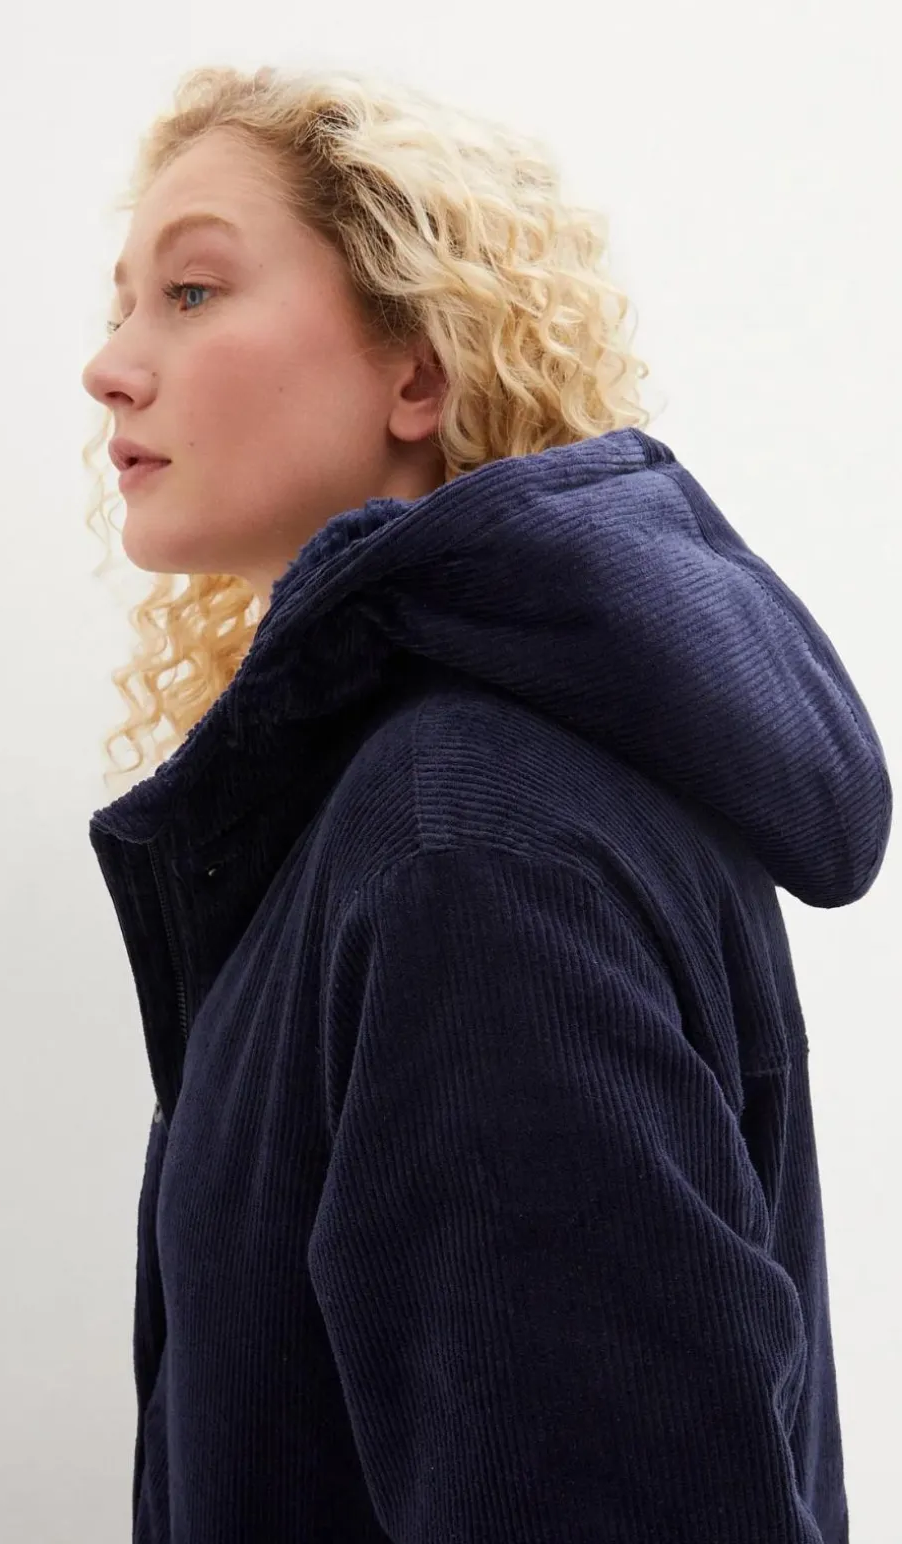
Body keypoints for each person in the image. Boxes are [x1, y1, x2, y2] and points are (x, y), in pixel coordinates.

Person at [79, 62, 890, 1544]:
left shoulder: (463, 840)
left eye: (191, 291)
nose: (110, 365)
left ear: (419, 371)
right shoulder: (417, 807)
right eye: (122, 302)